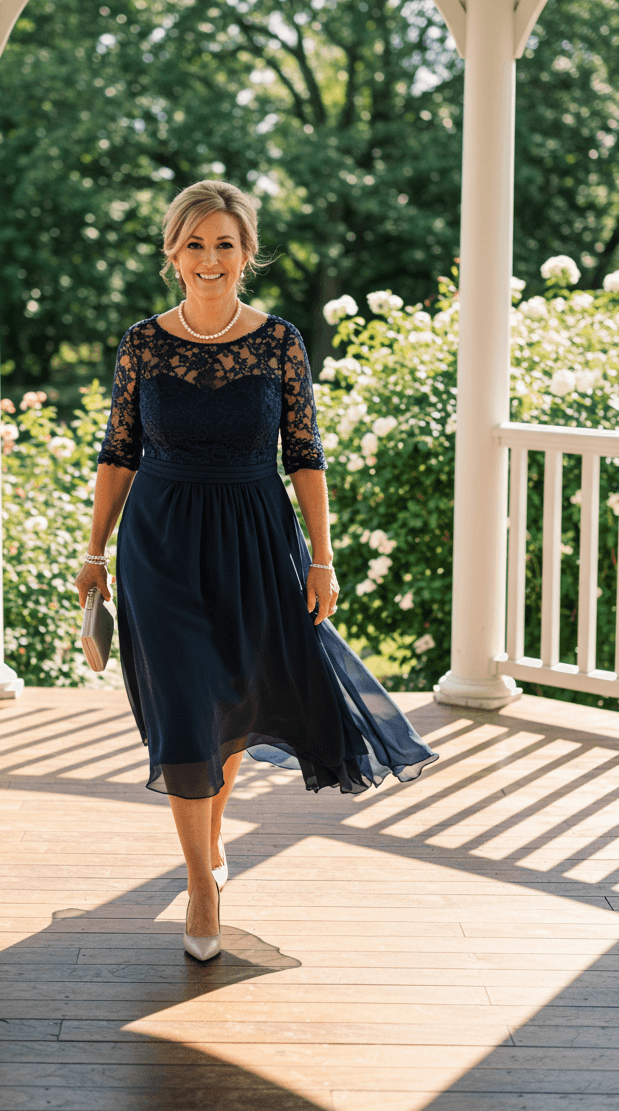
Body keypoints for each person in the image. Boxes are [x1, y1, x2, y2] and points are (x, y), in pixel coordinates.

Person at [76, 180, 438, 961]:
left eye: (225, 244)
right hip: (160, 546)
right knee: (184, 707)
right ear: (173, 254)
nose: (211, 259)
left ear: (247, 253)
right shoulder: (143, 343)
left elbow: (304, 456)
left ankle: (208, 841)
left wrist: (322, 554)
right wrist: (94, 550)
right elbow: (119, 452)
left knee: (235, 697)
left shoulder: (279, 343)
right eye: (195, 244)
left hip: (254, 538)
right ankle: (201, 883)